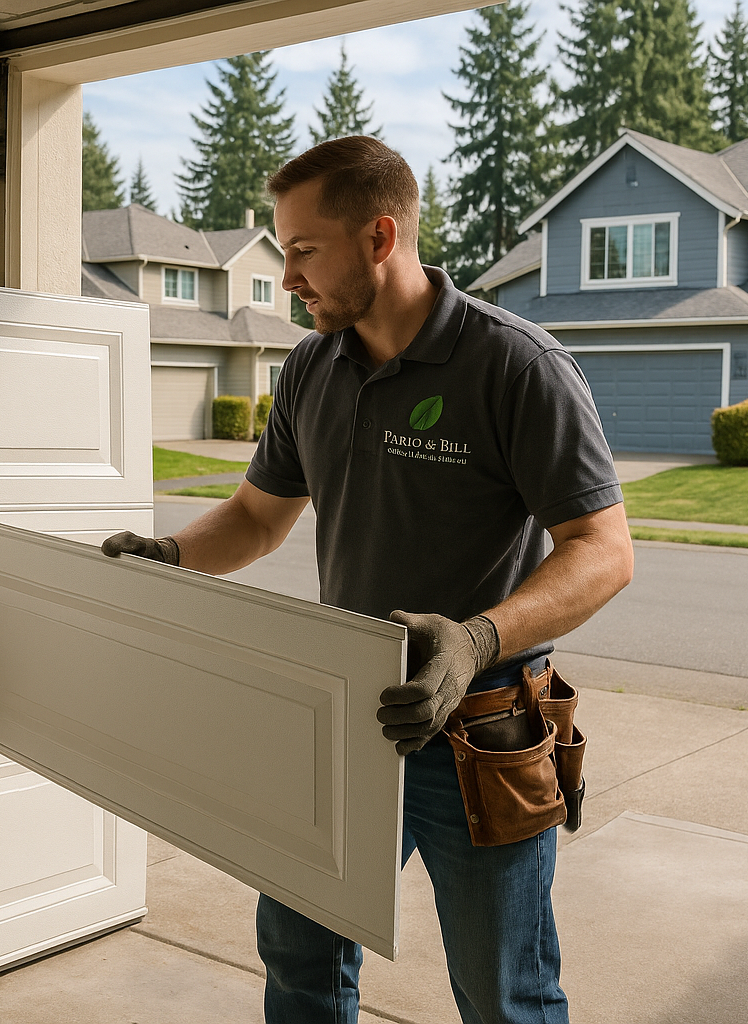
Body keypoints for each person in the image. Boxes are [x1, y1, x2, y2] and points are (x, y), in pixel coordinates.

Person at [100, 136, 634, 1024]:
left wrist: (474, 641)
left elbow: (604, 549)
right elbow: (259, 517)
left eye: (304, 250)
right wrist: (172, 557)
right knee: (302, 960)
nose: (290, 275)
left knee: (505, 992)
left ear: (380, 237)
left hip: (482, 727)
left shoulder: (515, 364)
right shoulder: (312, 367)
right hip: (343, 714)